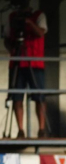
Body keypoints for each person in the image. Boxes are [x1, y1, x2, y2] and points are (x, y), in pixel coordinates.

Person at [4, 0, 46, 137]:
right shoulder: (12, 17)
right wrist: (13, 49)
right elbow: (7, 38)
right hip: (17, 62)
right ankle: (20, 130)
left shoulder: (39, 15)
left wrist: (28, 22)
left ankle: (42, 129)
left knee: (39, 97)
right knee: (17, 97)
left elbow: (41, 33)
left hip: (35, 63)